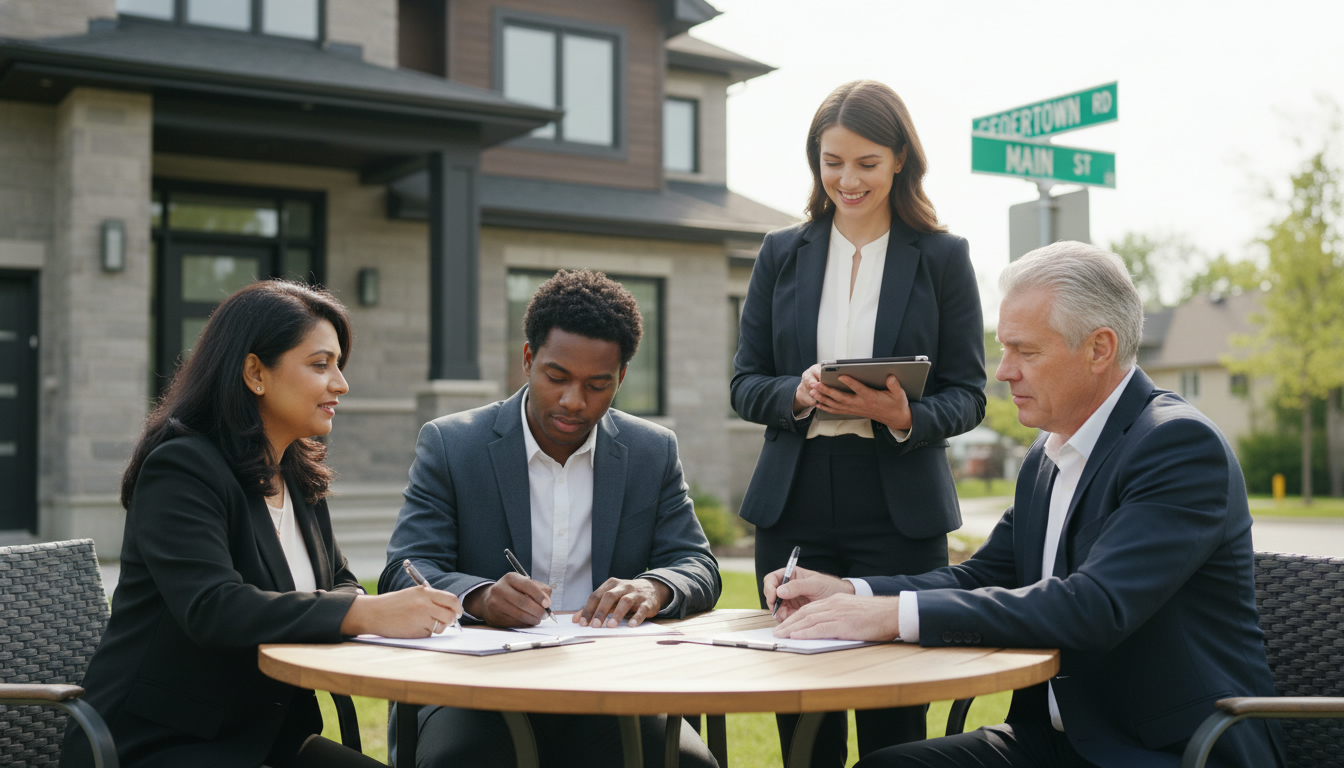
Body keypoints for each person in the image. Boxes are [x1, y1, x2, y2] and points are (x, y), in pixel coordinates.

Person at [765, 242, 1287, 768]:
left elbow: (1094, 606)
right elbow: (982, 577)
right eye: (1003, 348)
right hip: (1058, 739)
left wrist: (888, 616)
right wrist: (850, 591)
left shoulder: (1178, 448)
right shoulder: (1048, 452)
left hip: (1168, 750)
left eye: (1026, 351)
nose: (1004, 371)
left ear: (1099, 348)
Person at [60, 281, 462, 768]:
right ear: (255, 372)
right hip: (162, 744)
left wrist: (363, 603)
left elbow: (339, 581)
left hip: (268, 739)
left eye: (339, 364)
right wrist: (367, 613)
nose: (341, 383)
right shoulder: (182, 468)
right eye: (320, 364)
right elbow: (213, 607)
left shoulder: (297, 471)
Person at [731, 79, 986, 764]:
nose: (848, 179)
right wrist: (796, 391)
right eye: (832, 161)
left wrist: (905, 414)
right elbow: (744, 383)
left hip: (898, 509)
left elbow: (970, 393)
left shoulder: (942, 257)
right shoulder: (781, 253)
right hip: (795, 504)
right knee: (803, 722)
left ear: (901, 158)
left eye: (867, 163)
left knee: (895, 725)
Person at [381, 269, 721, 768]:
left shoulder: (652, 451)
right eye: (557, 377)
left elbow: (696, 563)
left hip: (610, 687)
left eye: (597, 384)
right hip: (475, 688)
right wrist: (479, 596)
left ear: (621, 378)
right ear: (527, 360)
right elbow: (406, 568)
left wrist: (655, 588)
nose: (573, 401)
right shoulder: (453, 444)